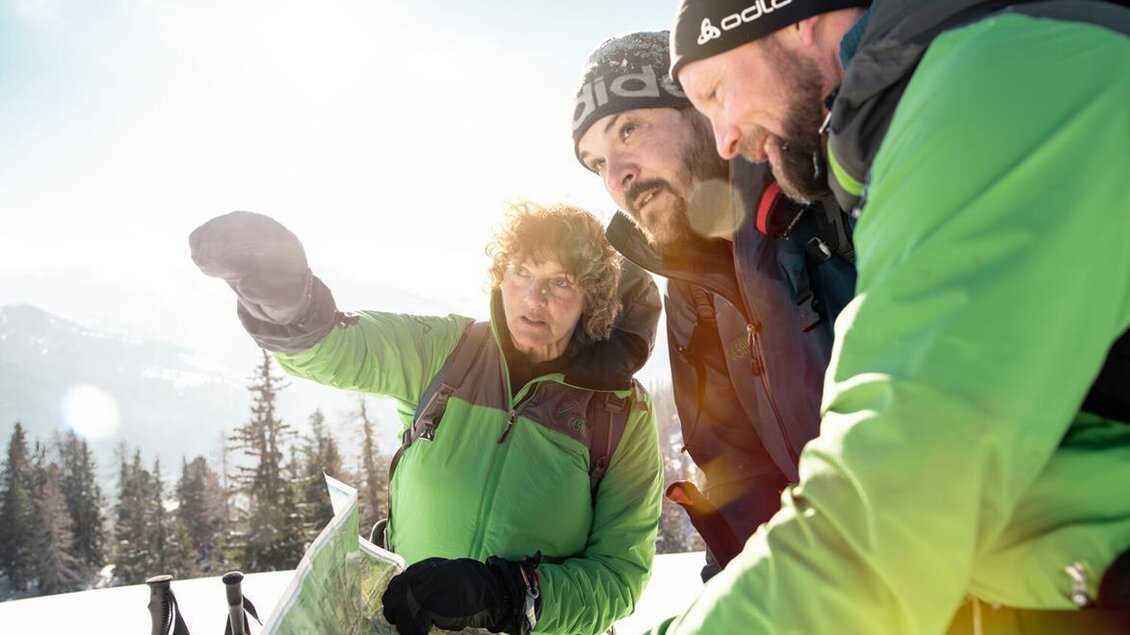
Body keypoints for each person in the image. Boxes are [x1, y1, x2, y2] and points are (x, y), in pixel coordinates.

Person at [649, 0, 1130, 633]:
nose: (725, 139)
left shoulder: (994, 86)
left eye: (715, 92)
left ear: (795, 17)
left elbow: (892, 502)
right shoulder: (937, 103)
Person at [189, 203, 665, 635]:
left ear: (594, 299)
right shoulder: (448, 351)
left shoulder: (621, 412)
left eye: (560, 282)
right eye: (521, 272)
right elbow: (340, 348)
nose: (533, 298)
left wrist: (506, 594)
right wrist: (286, 299)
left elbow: (619, 576)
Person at [571, 30, 856, 580]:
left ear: (704, 110)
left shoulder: (826, 201)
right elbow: (737, 477)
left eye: (629, 129)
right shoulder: (692, 292)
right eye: (595, 163)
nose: (615, 175)